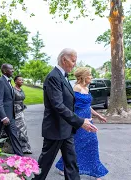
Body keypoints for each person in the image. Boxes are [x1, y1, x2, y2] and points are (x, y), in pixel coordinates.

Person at [33, 48, 98, 180]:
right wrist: (80, 121)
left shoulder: (63, 76)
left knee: (71, 163)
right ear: (64, 59)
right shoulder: (53, 77)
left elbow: (69, 103)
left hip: (66, 129)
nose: (74, 64)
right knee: (44, 165)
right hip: (55, 129)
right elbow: (58, 105)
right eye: (73, 61)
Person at [55, 66, 109, 180]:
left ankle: (95, 171)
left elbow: (88, 106)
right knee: (75, 145)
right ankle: (63, 166)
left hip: (89, 120)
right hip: (79, 122)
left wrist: (98, 115)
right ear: (84, 76)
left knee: (92, 143)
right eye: (90, 75)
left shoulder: (87, 89)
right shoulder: (76, 88)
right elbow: (70, 106)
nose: (91, 77)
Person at [0, 63, 24, 156]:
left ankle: (21, 158)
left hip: (10, 116)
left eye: (13, 69)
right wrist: (3, 117)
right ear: (5, 71)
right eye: (11, 69)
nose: (13, 70)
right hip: (1, 116)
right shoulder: (0, 82)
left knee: (14, 136)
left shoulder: (8, 82)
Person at [0, 75, 32, 154]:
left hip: (20, 112)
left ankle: (24, 147)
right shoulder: (12, 90)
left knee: (23, 129)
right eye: (20, 80)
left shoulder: (21, 90)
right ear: (15, 81)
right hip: (13, 112)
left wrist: (22, 105)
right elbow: (9, 100)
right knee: (13, 129)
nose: (22, 81)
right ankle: (9, 147)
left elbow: (21, 99)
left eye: (22, 80)